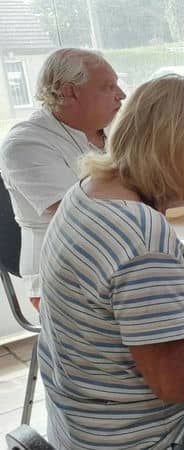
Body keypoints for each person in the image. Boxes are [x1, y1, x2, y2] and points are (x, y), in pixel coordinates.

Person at [37, 76, 184, 449]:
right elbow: (179, 384)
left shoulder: (88, 192)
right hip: (147, 439)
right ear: (173, 150)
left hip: (80, 426)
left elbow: (139, 315)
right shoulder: (143, 237)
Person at [0, 48, 126, 310]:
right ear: (69, 92)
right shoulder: (25, 143)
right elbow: (83, 213)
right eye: (108, 87)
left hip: (120, 256)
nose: (121, 94)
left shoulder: (113, 128)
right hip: (61, 277)